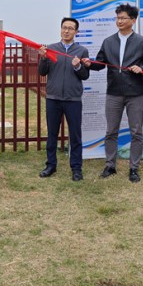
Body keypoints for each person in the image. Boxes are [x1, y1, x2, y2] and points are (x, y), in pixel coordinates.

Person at [82, 3, 143, 183]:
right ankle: (110, 165)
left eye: (123, 18)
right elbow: (100, 63)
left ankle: (134, 168)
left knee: (136, 132)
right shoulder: (108, 41)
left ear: (133, 20)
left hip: (135, 93)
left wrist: (142, 68)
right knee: (111, 131)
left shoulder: (142, 41)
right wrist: (89, 63)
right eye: (118, 18)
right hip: (113, 92)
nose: (120, 21)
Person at [37, 17, 90, 181]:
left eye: (70, 28)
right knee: (52, 134)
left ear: (76, 32)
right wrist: (43, 58)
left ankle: (76, 168)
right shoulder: (51, 48)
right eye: (64, 27)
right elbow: (42, 72)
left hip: (73, 99)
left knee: (75, 135)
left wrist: (78, 66)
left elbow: (85, 75)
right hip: (53, 98)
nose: (66, 31)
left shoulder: (81, 51)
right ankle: (50, 165)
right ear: (61, 29)